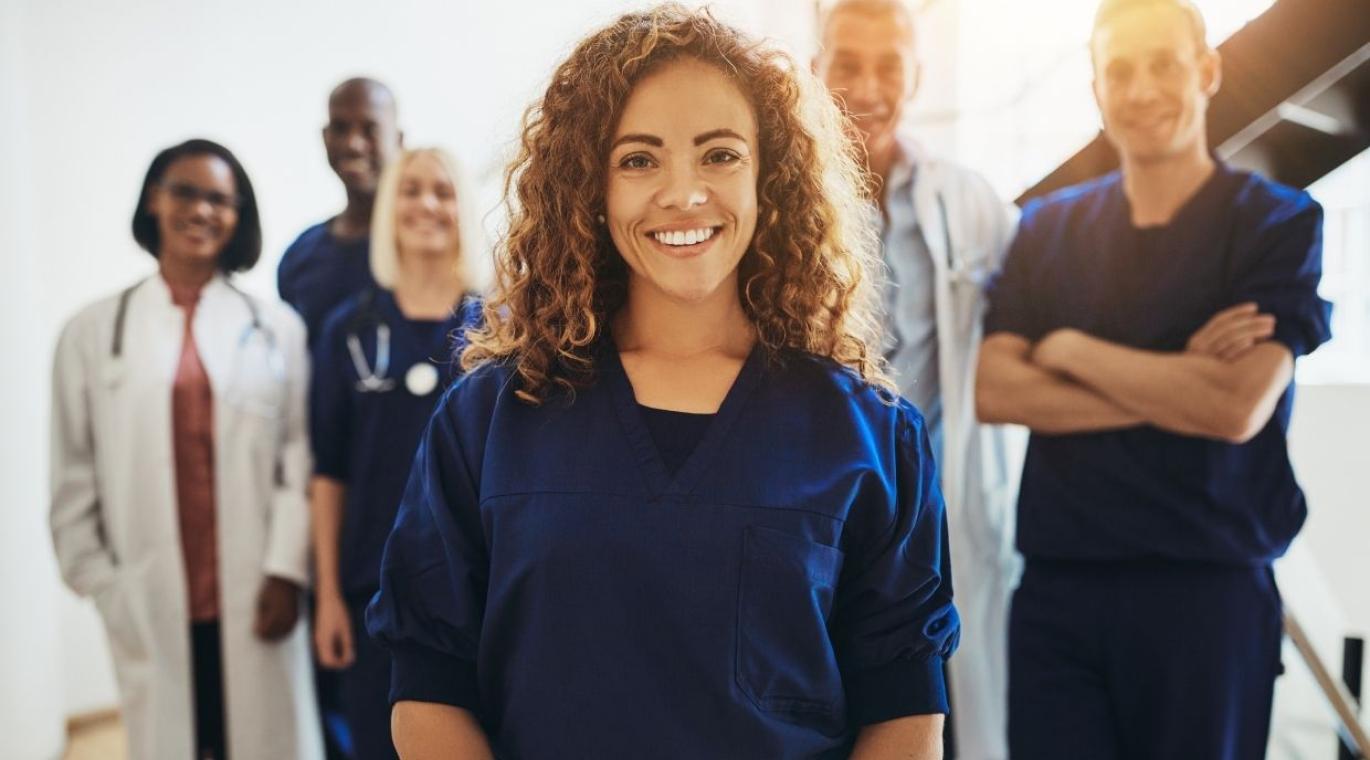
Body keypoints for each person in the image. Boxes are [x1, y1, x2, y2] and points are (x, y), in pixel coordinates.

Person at [366, 6, 958, 759]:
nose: (684, 193)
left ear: (770, 176)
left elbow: (905, 712)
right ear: (590, 186)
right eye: (639, 160)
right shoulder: (488, 423)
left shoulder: (872, 439)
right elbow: (429, 689)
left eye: (720, 155)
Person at [975, 0, 1332, 756]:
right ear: (1098, 91)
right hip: (1059, 592)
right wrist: (1179, 384)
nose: (1141, 90)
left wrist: (1070, 349)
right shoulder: (1048, 229)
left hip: (1207, 593)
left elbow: (1235, 407)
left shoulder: (1277, 223)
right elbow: (995, 390)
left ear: (1207, 71)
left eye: (1163, 64)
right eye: (1120, 72)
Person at [50, 139, 321, 760]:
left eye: (221, 199)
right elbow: (72, 473)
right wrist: (105, 586)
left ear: (239, 215)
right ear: (154, 199)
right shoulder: (92, 333)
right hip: (147, 596)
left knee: (262, 740)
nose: (202, 210)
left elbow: (297, 455)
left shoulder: (276, 327)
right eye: (186, 192)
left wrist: (284, 568)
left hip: (258, 590)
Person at [813, 2, 1020, 757]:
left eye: (889, 65)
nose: (869, 86)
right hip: (824, 510)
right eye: (847, 63)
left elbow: (1034, 328)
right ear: (816, 67)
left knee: (938, 724)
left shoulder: (971, 205)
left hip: (943, 520)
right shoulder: (772, 202)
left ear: (916, 75)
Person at [309, 147, 483, 760]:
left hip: (476, 594)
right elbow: (328, 472)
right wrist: (327, 595)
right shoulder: (348, 331)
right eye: (410, 190)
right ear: (388, 208)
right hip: (369, 593)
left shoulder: (501, 330)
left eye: (443, 189)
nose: (427, 205)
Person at [279, 77, 404, 346]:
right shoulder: (299, 256)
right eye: (340, 128)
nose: (353, 144)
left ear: (399, 140)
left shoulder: (427, 247)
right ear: (325, 138)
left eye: (370, 129)